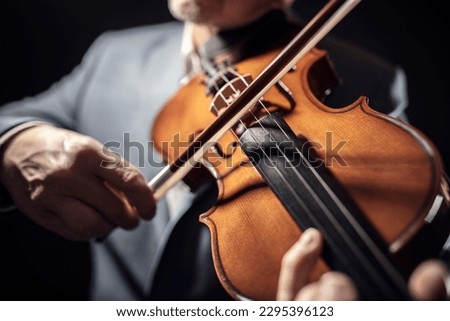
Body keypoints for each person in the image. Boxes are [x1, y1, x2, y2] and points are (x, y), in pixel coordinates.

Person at [0, 0, 447, 300]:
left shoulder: (377, 80)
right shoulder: (112, 55)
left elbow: (434, 232)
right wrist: (15, 143)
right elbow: (10, 118)